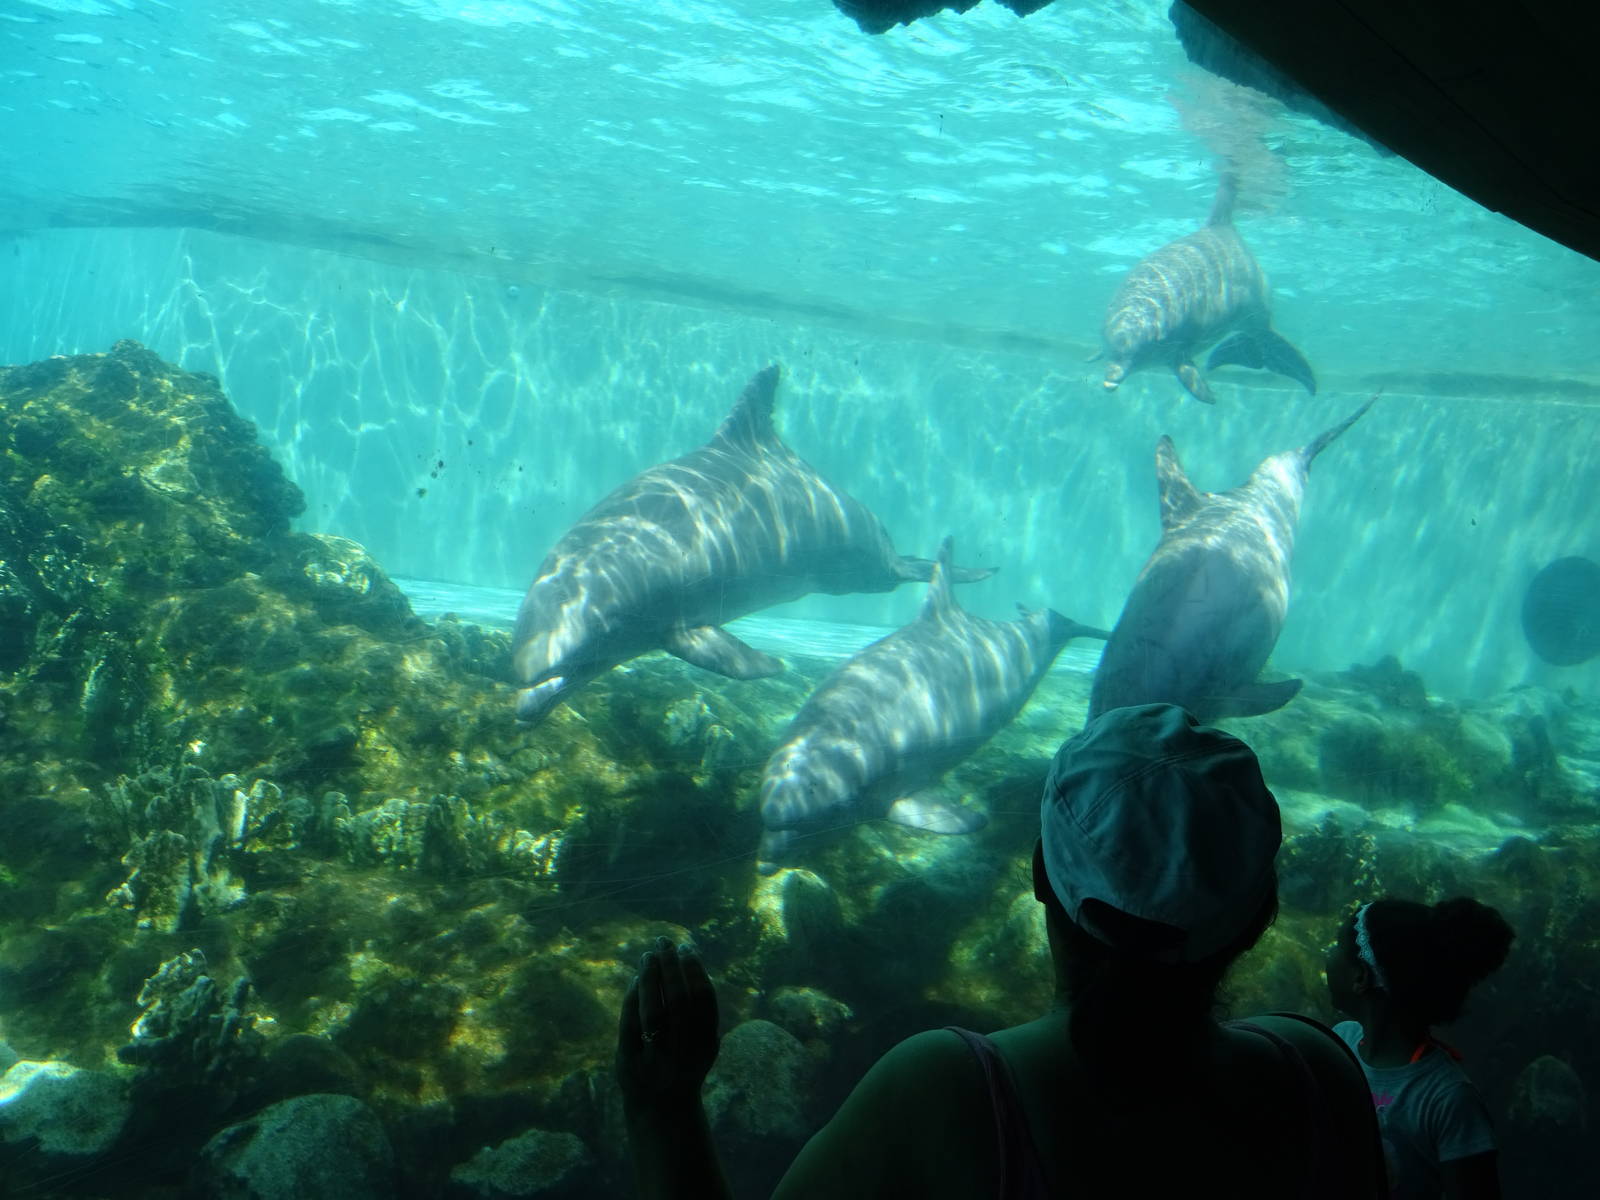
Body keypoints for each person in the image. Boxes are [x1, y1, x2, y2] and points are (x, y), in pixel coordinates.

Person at [617, 702, 1387, 1199]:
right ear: (1257, 916)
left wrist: (664, 1107)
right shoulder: (1318, 1076)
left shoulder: (948, 1091)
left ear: (1041, 879)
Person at [1325, 896, 1515, 1200]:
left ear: (1361, 977)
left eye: (1336, 948)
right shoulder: (1339, 1040)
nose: (1328, 956)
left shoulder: (1449, 1099)